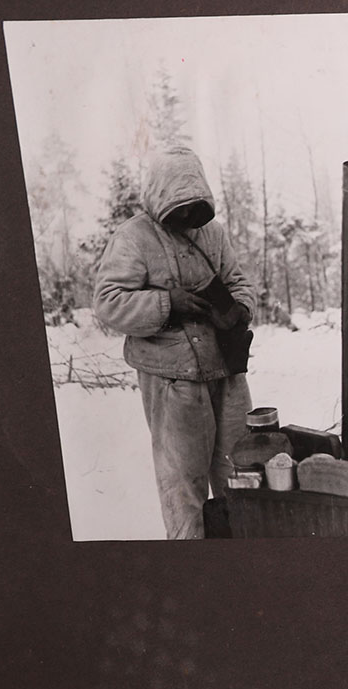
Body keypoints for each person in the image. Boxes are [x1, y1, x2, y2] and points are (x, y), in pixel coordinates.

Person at [94, 146, 256, 539]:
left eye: (193, 205)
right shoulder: (133, 237)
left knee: (243, 470)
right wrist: (169, 303)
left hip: (226, 370)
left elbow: (238, 282)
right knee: (184, 484)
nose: (186, 215)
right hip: (173, 382)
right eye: (178, 206)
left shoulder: (212, 232)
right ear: (160, 194)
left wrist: (239, 311)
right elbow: (107, 303)